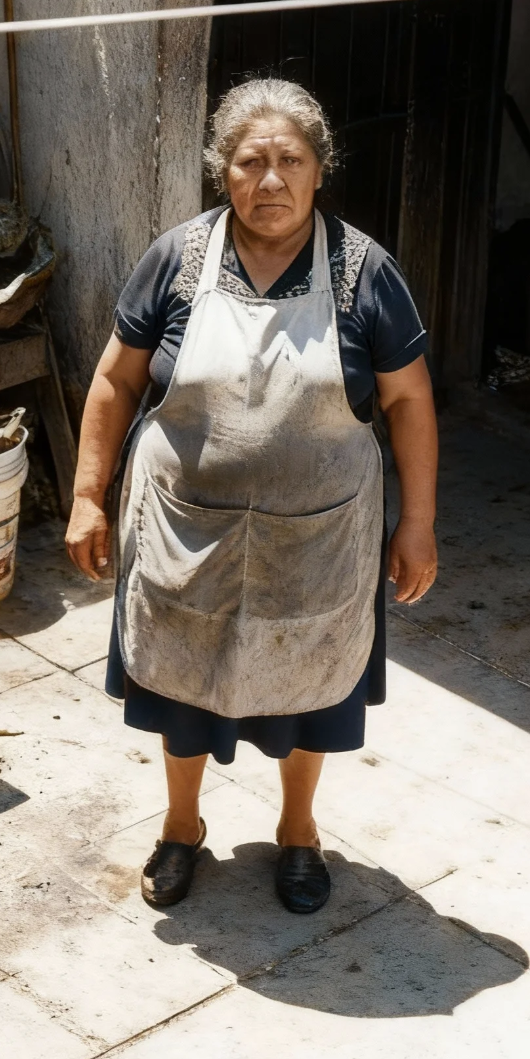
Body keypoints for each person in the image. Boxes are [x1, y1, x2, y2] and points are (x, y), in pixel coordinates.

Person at [65, 78, 438, 915]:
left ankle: (298, 834)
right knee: (181, 677)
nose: (269, 181)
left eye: (288, 161)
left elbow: (409, 400)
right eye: (250, 162)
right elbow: (115, 381)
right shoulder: (177, 258)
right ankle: (180, 824)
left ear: (318, 171)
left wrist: (417, 521)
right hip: (183, 532)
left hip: (317, 538)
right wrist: (88, 494)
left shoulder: (363, 272)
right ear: (222, 173)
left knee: (310, 686)